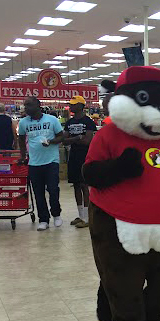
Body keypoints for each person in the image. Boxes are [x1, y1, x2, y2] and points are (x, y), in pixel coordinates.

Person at [18, 96, 65, 231]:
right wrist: (23, 155)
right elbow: (21, 139)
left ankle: (56, 214)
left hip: (51, 161)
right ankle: (43, 219)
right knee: (38, 193)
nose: (26, 108)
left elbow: (61, 136)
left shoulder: (52, 120)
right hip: (34, 163)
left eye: (29, 105)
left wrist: (51, 142)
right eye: (25, 106)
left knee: (53, 189)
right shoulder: (23, 122)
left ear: (38, 106)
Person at [62, 96, 97, 229]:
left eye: (73, 105)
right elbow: (64, 140)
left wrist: (72, 139)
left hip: (85, 156)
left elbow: (87, 141)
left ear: (81, 106)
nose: (71, 107)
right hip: (73, 156)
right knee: (76, 185)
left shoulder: (88, 122)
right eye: (70, 104)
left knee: (84, 185)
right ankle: (81, 215)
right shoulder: (69, 122)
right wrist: (78, 137)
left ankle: (87, 218)